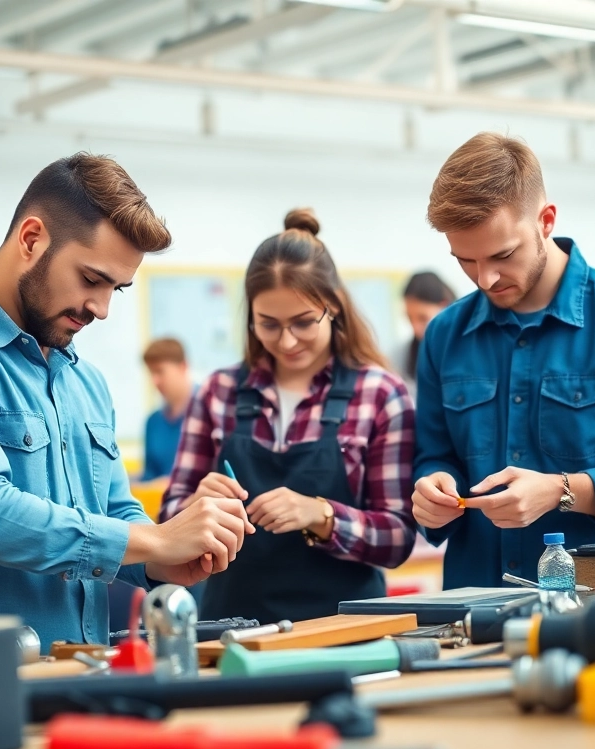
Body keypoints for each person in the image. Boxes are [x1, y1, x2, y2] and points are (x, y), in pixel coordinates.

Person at [0, 153, 252, 649]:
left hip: (78, 669)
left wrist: (167, 557)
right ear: (32, 240)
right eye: (92, 280)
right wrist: (157, 540)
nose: (102, 308)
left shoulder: (85, 382)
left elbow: (115, 512)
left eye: (116, 287)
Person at [410, 133, 595, 588]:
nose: (486, 278)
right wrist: (431, 489)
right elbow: (436, 455)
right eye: (465, 261)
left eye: (503, 255)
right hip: (474, 605)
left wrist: (563, 491)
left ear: (546, 220)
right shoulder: (444, 335)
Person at [162, 209, 417, 624]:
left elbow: (398, 539)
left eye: (302, 322)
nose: (286, 340)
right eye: (269, 324)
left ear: (332, 306)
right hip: (231, 632)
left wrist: (322, 515)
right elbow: (167, 524)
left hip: (345, 634)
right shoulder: (217, 393)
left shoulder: (380, 395)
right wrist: (195, 506)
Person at [141, 337, 194, 481]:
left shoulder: (208, 411)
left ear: (182, 367)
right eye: (151, 373)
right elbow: (149, 476)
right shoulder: (153, 422)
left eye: (160, 371)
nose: (155, 381)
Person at [398, 272, 457, 397]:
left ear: (445, 307)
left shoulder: (473, 347)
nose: (415, 328)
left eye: (423, 318)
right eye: (409, 318)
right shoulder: (400, 356)